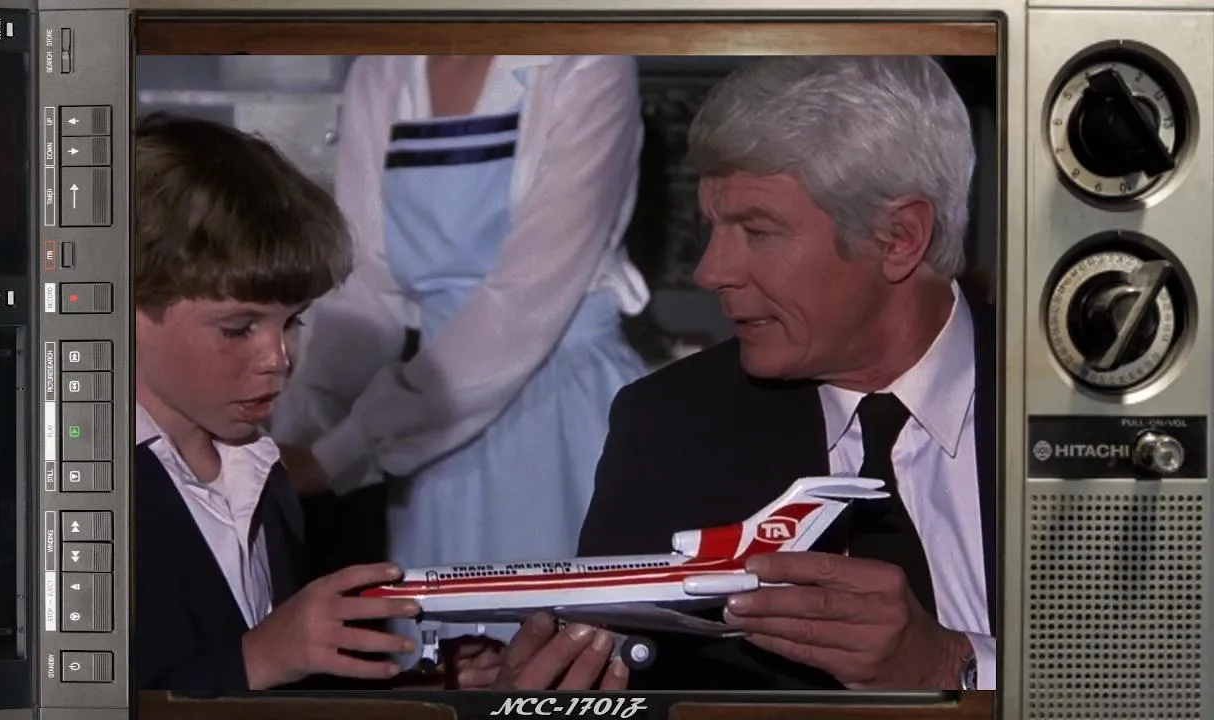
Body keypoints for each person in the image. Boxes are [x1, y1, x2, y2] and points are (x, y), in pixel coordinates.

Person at [481, 55, 997, 691]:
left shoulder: (1079, 410)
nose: (711, 271)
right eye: (713, 228)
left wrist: (951, 667)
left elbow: (1120, 668)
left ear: (899, 237)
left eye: (757, 231)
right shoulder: (667, 427)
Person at [270, 54, 651, 664]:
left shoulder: (586, 60)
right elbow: (364, 293)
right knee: (448, 659)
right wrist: (288, 442)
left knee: (562, 657)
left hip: (559, 419)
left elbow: (523, 301)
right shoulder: (384, 68)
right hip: (429, 426)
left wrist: (336, 456)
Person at [132, 113, 422, 692]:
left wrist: (419, 691)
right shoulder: (63, 489)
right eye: (239, 328)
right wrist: (256, 659)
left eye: (292, 322)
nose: (279, 358)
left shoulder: (264, 472)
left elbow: (288, 690)